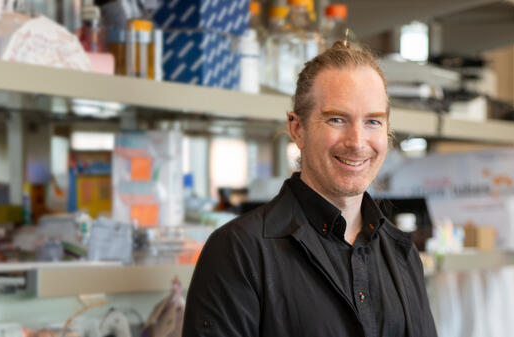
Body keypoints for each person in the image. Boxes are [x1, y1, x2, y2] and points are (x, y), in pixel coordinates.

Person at [182, 41, 437, 337]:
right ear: (297, 129)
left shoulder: (402, 254)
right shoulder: (239, 251)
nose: (357, 141)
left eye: (372, 121)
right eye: (337, 119)